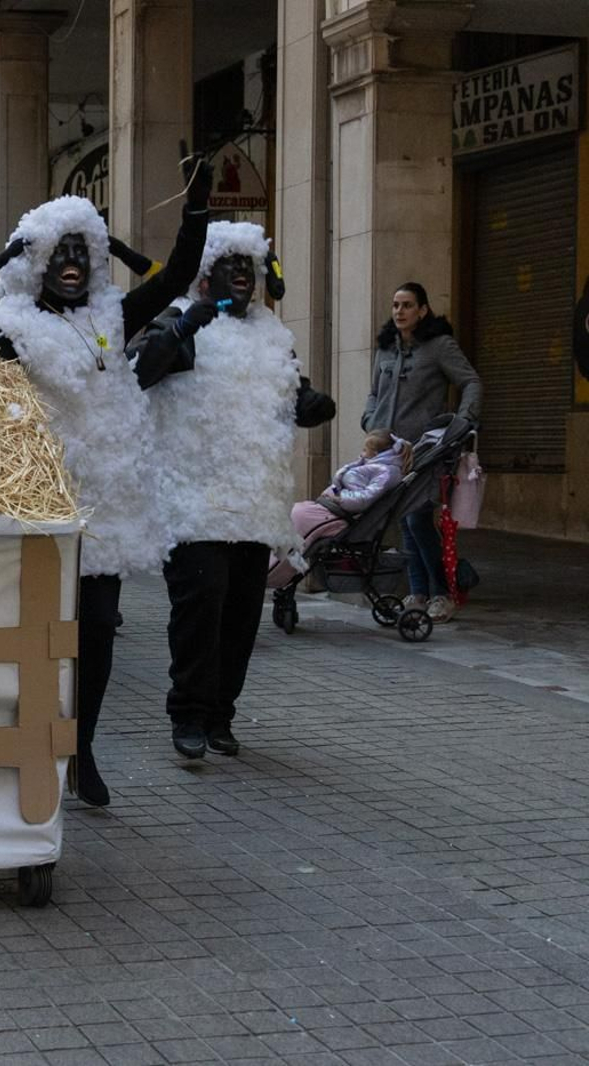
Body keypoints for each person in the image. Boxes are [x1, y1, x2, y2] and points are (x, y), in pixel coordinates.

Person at [0, 151, 212, 808]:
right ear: (38, 261)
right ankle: (25, 746)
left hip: (101, 516)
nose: (73, 263)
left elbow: (175, 281)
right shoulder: (9, 326)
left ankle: (82, 749)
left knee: (97, 633)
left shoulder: (110, 318)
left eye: (84, 251)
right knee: (31, 640)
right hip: (33, 513)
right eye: (61, 253)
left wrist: (195, 209)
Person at [128, 221, 336, 761]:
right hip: (193, 502)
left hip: (253, 503)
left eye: (251, 266)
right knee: (201, 607)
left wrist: (310, 404)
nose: (244, 275)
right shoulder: (180, 319)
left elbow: (292, 392)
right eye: (232, 265)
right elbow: (136, 374)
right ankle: (189, 714)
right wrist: (179, 332)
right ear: (206, 273)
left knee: (242, 614)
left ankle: (221, 714)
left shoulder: (273, 334)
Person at [362, 283, 481, 623]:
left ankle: (443, 592)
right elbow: (373, 393)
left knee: (416, 518)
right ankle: (418, 591)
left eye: (408, 305)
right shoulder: (385, 349)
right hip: (388, 450)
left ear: (423, 310)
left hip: (427, 450)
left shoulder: (439, 347)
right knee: (404, 520)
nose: (399, 311)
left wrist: (462, 422)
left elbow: (471, 381)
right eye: (395, 305)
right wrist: (370, 419)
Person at [266, 429, 409, 587]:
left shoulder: (386, 472)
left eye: (365, 449)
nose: (361, 453)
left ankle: (273, 571)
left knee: (296, 520)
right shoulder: (374, 466)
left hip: (338, 514)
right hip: (330, 508)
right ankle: (270, 562)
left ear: (375, 453)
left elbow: (366, 497)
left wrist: (340, 499)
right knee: (292, 513)